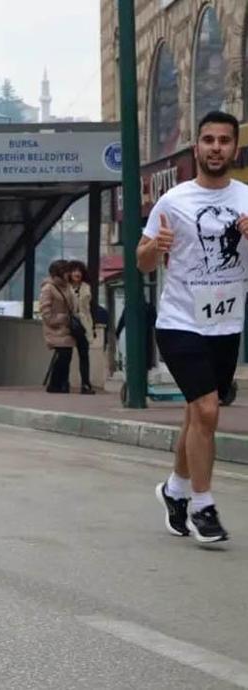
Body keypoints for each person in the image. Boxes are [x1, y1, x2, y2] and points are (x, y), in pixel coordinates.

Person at [137, 110, 248, 544]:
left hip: (225, 324)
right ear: (196, 147)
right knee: (206, 410)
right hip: (180, 322)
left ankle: (176, 489)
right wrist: (155, 247)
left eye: (224, 140)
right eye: (208, 140)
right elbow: (142, 261)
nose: (216, 148)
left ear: (234, 148)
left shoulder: (246, 198)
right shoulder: (174, 201)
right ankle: (203, 506)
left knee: (196, 415)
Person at [39, 260, 74, 393]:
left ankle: (62, 383)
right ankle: (55, 383)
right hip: (56, 328)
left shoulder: (68, 287)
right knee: (63, 355)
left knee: (67, 355)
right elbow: (45, 311)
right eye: (66, 271)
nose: (68, 274)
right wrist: (58, 319)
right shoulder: (48, 288)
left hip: (67, 327)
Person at [67, 260, 95, 394]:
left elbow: (89, 309)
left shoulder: (86, 287)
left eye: (79, 271)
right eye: (74, 271)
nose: (77, 273)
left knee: (84, 354)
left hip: (83, 324)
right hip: (68, 322)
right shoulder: (65, 287)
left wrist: (91, 327)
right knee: (65, 354)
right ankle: (63, 382)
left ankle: (85, 384)